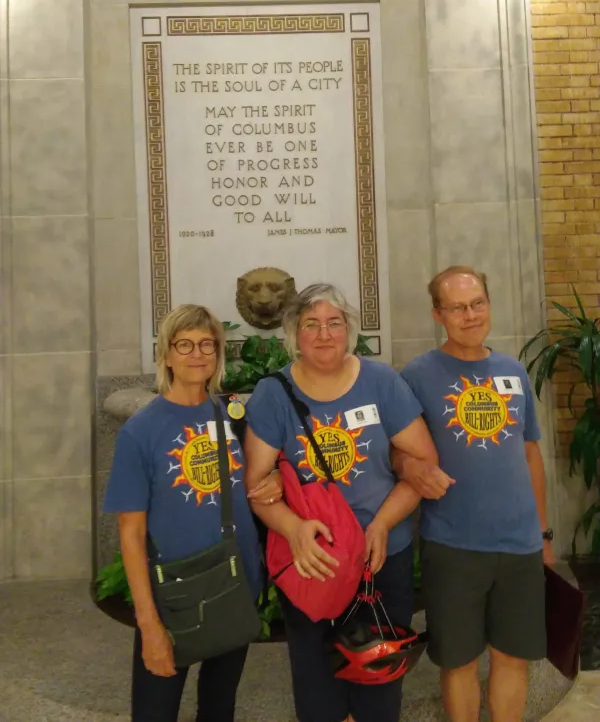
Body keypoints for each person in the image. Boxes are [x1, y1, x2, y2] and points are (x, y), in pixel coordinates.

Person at [244, 283, 451, 722]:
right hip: (313, 561)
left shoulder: (382, 383)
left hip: (381, 558)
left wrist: (379, 525)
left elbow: (423, 463)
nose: (324, 334)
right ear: (293, 335)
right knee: (317, 684)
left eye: (334, 323)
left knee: (378, 679)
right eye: (311, 325)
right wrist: (293, 528)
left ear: (350, 331)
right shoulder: (273, 394)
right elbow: (257, 487)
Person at [102, 304, 282, 722]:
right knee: (154, 710)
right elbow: (130, 534)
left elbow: (265, 475)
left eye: (207, 344)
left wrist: (279, 481)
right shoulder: (141, 432)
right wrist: (148, 624)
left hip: (235, 583)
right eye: (184, 344)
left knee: (219, 707)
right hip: (175, 595)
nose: (197, 354)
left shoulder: (235, 416)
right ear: (166, 354)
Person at [399, 266, 554, 722]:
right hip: (453, 545)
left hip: (520, 544)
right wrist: (409, 465)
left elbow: (530, 455)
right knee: (459, 660)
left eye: (477, 303)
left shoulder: (512, 371)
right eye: (457, 307)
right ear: (438, 314)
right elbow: (395, 455)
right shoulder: (416, 376)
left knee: (512, 657)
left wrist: (542, 535)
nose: (470, 315)